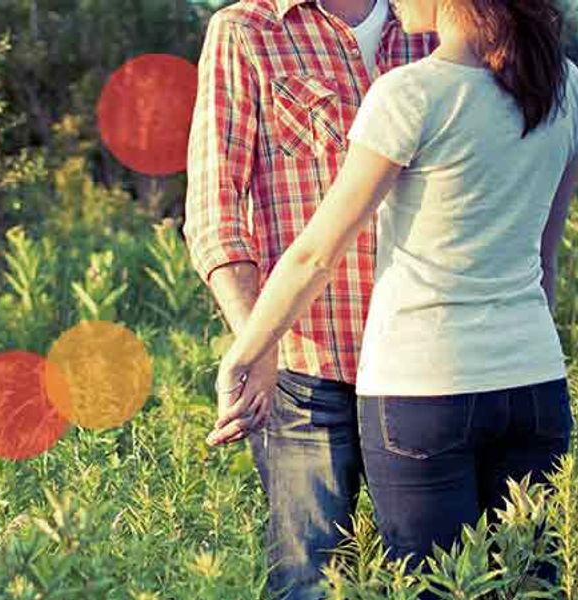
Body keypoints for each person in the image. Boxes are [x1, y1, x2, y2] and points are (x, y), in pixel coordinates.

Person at [206, 0, 578, 594]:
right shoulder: (566, 84)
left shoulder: (412, 87)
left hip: (419, 384)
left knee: (433, 585)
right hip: (524, 379)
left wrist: (244, 350)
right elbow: (545, 259)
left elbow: (315, 253)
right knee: (524, 582)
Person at [183, 0, 436, 597]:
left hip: (428, 367)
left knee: (440, 579)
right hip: (306, 372)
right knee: (310, 582)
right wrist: (258, 342)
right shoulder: (247, 31)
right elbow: (213, 213)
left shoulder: (435, 25)